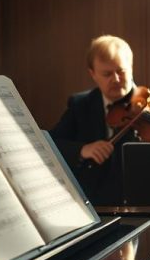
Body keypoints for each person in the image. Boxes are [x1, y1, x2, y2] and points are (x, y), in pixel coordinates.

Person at [49, 35, 139, 206]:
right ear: (93, 74)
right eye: (107, 74)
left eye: (121, 71)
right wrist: (82, 149)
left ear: (131, 67)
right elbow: (52, 143)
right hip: (93, 204)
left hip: (137, 205)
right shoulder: (80, 105)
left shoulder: (146, 109)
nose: (116, 79)